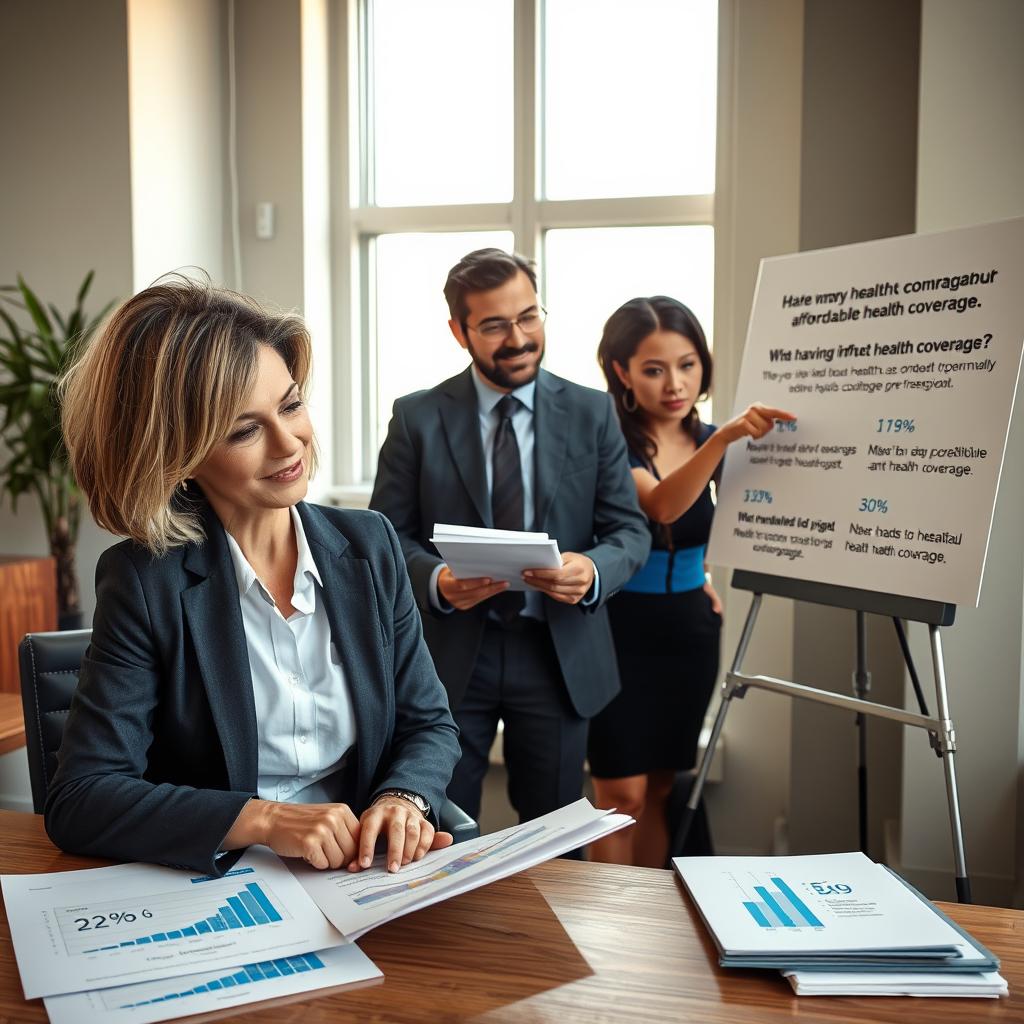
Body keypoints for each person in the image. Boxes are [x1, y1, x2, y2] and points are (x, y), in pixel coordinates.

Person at [48, 277, 461, 878]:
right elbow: (81, 798)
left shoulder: (369, 546)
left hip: (364, 878)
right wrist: (264, 819)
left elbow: (429, 723)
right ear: (178, 454)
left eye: (290, 405)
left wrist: (405, 798)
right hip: (226, 881)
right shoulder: (145, 580)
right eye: (245, 430)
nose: (289, 441)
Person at [370, 249, 649, 829]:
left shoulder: (592, 413)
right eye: (495, 325)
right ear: (459, 331)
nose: (519, 338)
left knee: (556, 839)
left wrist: (592, 570)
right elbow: (385, 535)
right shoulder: (416, 418)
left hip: (558, 652)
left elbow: (629, 530)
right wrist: (437, 582)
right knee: (438, 832)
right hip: (445, 656)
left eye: (529, 316)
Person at [588, 295, 793, 867]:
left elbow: (745, 520)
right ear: (622, 372)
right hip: (617, 630)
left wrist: (697, 574)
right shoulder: (611, 439)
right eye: (653, 369)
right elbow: (662, 506)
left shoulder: (707, 435)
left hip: (691, 630)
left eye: (687, 364)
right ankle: (612, 941)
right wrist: (723, 440)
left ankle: (653, 936)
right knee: (618, 797)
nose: (674, 383)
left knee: (659, 788)